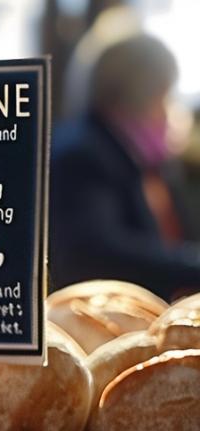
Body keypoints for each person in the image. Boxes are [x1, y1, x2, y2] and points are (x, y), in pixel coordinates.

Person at [50, 27, 200, 300]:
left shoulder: (143, 152)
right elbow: (100, 250)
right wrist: (190, 266)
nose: (168, 110)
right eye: (163, 97)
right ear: (138, 94)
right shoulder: (81, 152)